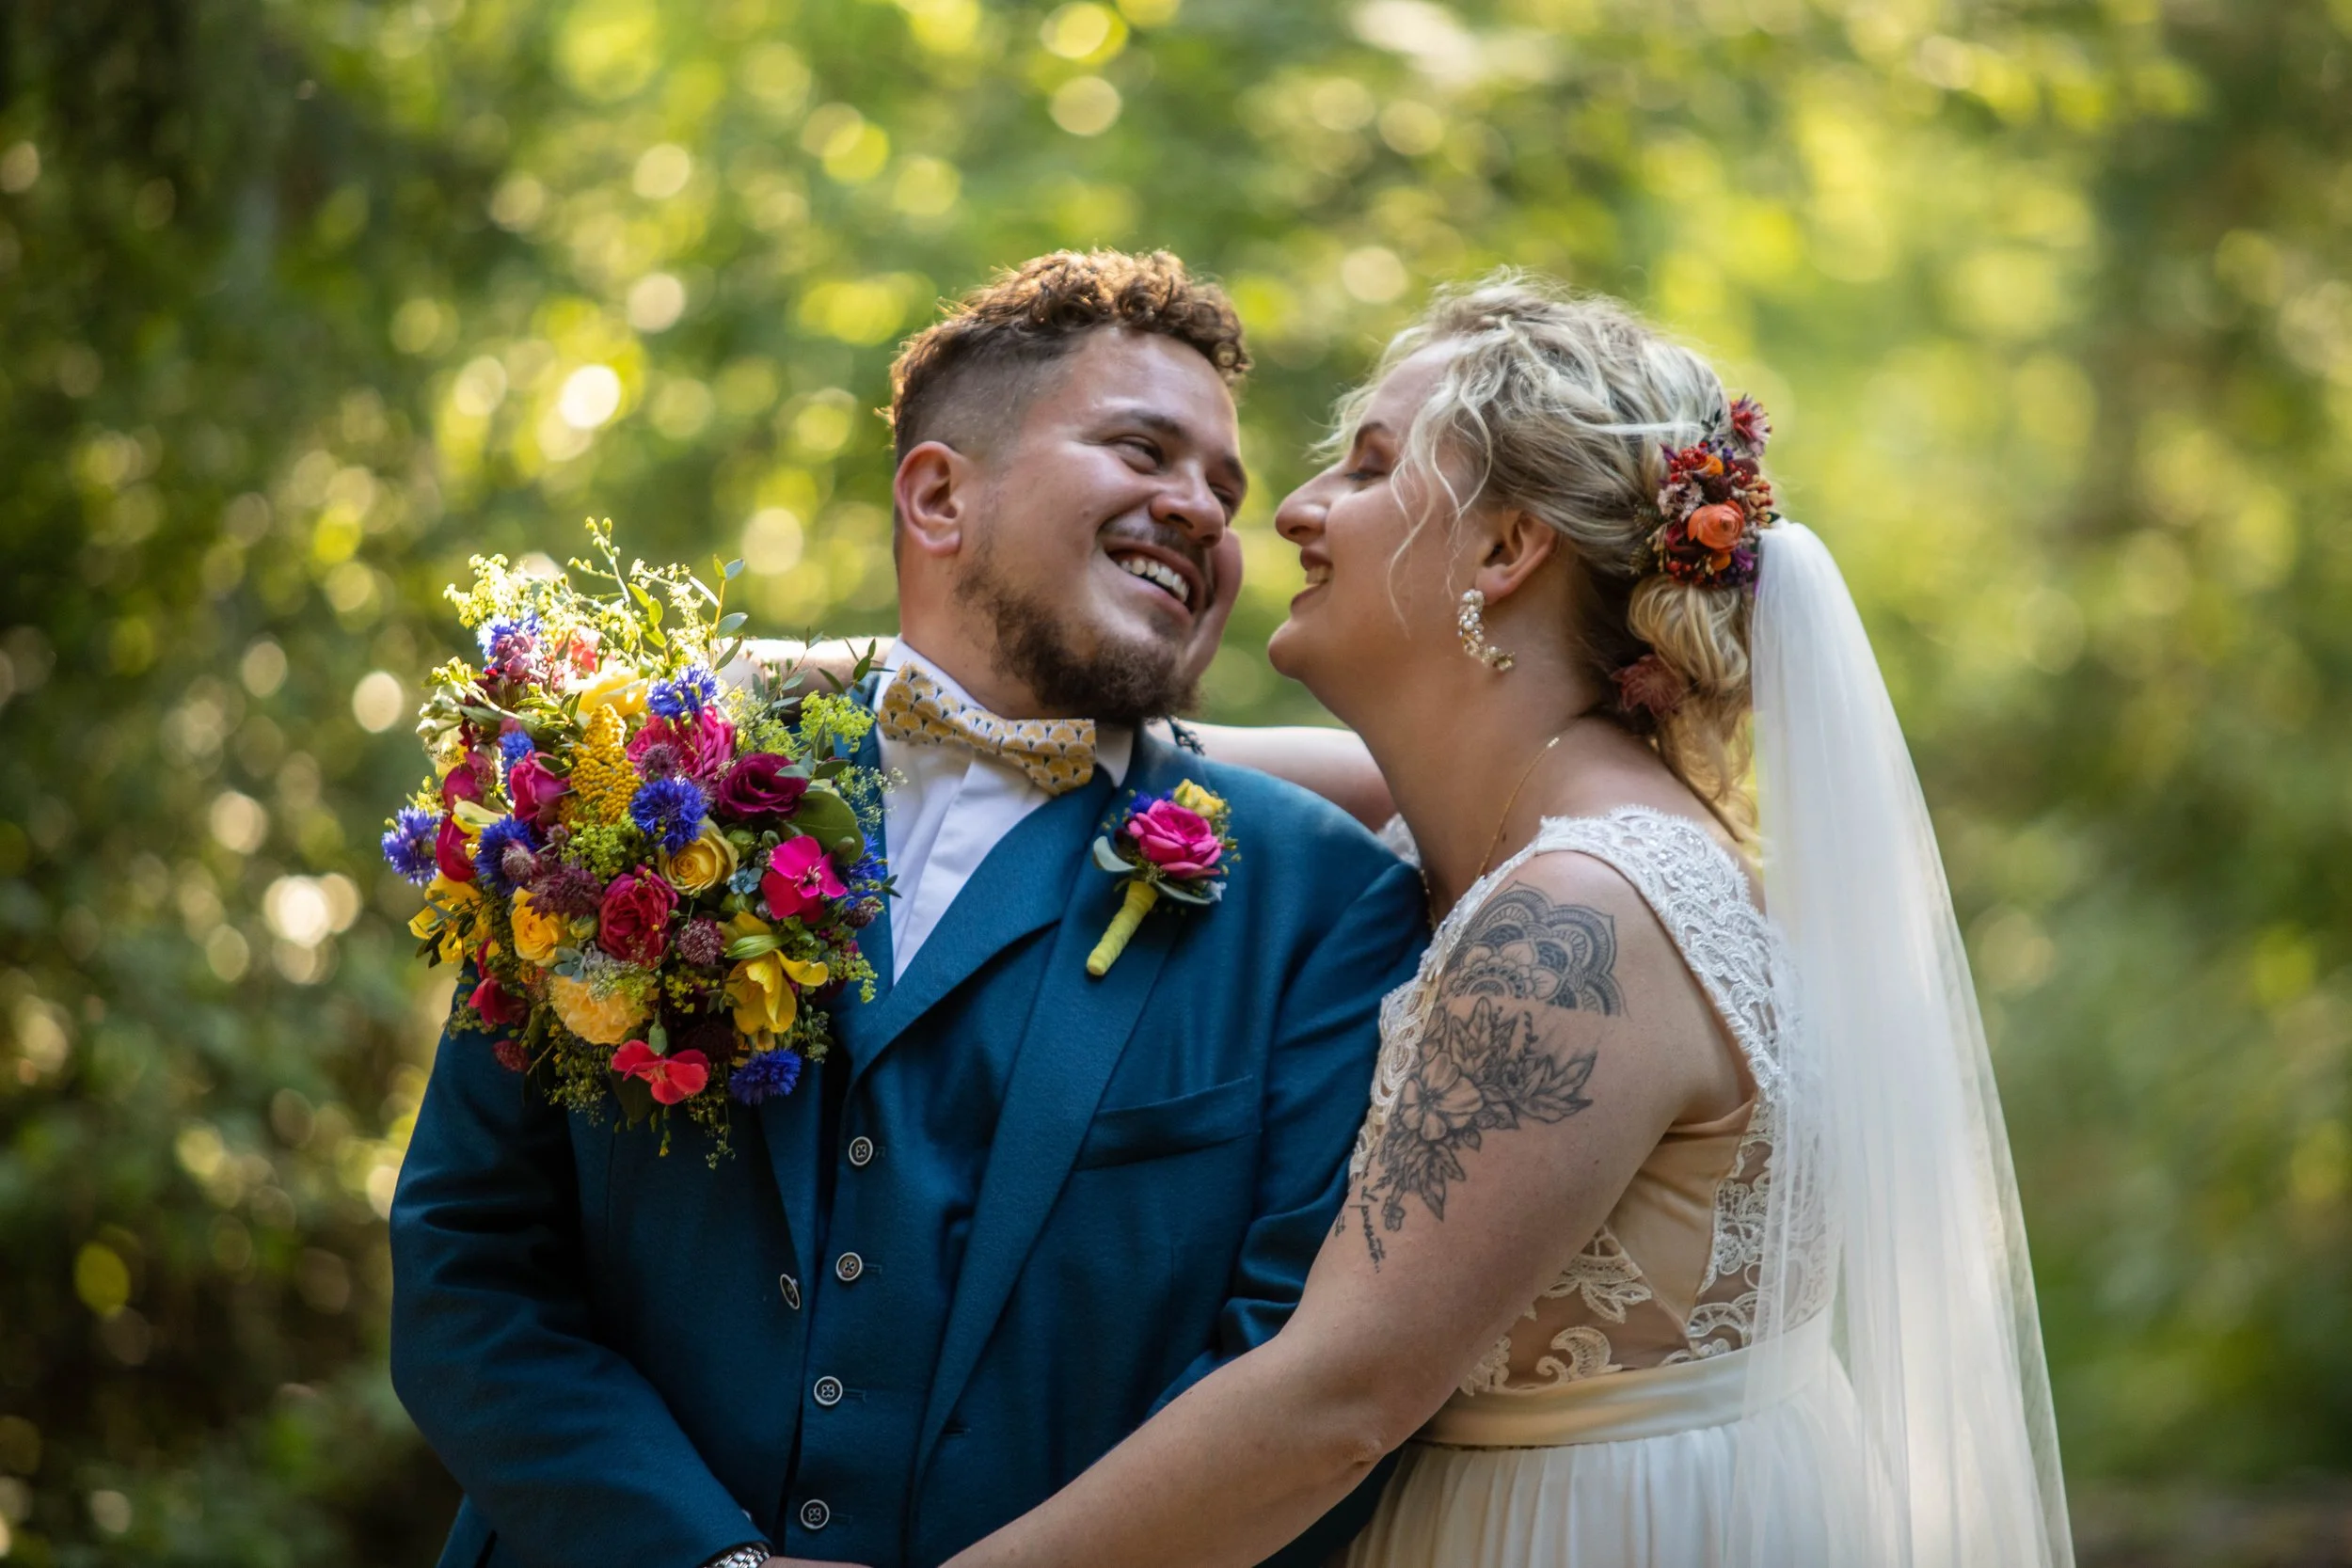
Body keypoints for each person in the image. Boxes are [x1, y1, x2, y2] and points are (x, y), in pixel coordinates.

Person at [934, 274, 2076, 1567]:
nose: (1297, 513)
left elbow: (1336, 1400)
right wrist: (772, 678)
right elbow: (1104, 747)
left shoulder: (1578, 916)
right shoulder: (1482, 811)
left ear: (1503, 549)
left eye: (1365, 469)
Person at [387, 251, 1428, 1568]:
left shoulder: (1326, 907)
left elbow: (1291, 1365)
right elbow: (469, 1259)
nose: (1207, 511)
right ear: (939, 494)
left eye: (1223, 487)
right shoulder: (636, 783)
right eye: (1143, 451)